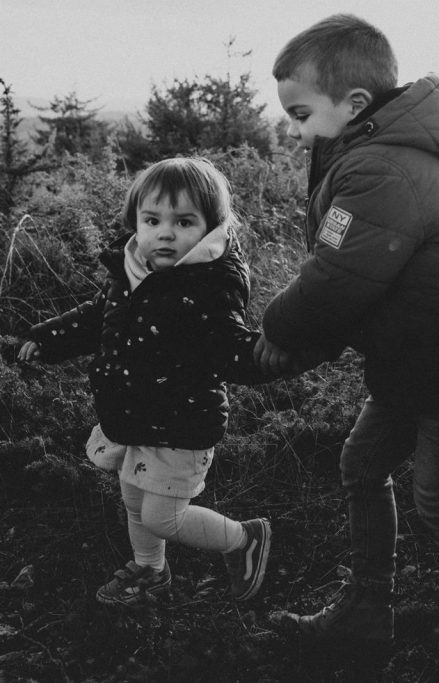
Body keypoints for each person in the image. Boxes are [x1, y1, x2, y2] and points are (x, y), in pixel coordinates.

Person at [255, 14, 439, 649]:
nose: (294, 131)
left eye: (300, 114)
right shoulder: (366, 156)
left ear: (353, 104)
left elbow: (337, 280)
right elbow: (354, 281)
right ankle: (366, 608)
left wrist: (278, 329)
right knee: (362, 464)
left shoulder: (383, 169)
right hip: (415, 361)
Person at [18, 157, 277, 607]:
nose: (165, 232)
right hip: (131, 413)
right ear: (136, 221)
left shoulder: (209, 286)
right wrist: (47, 339)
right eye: (152, 220)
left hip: (180, 424)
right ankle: (150, 571)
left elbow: (232, 349)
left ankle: (245, 540)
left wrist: (275, 352)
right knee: (134, 501)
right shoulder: (131, 271)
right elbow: (95, 318)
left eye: (184, 221)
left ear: (210, 228)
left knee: (163, 517)